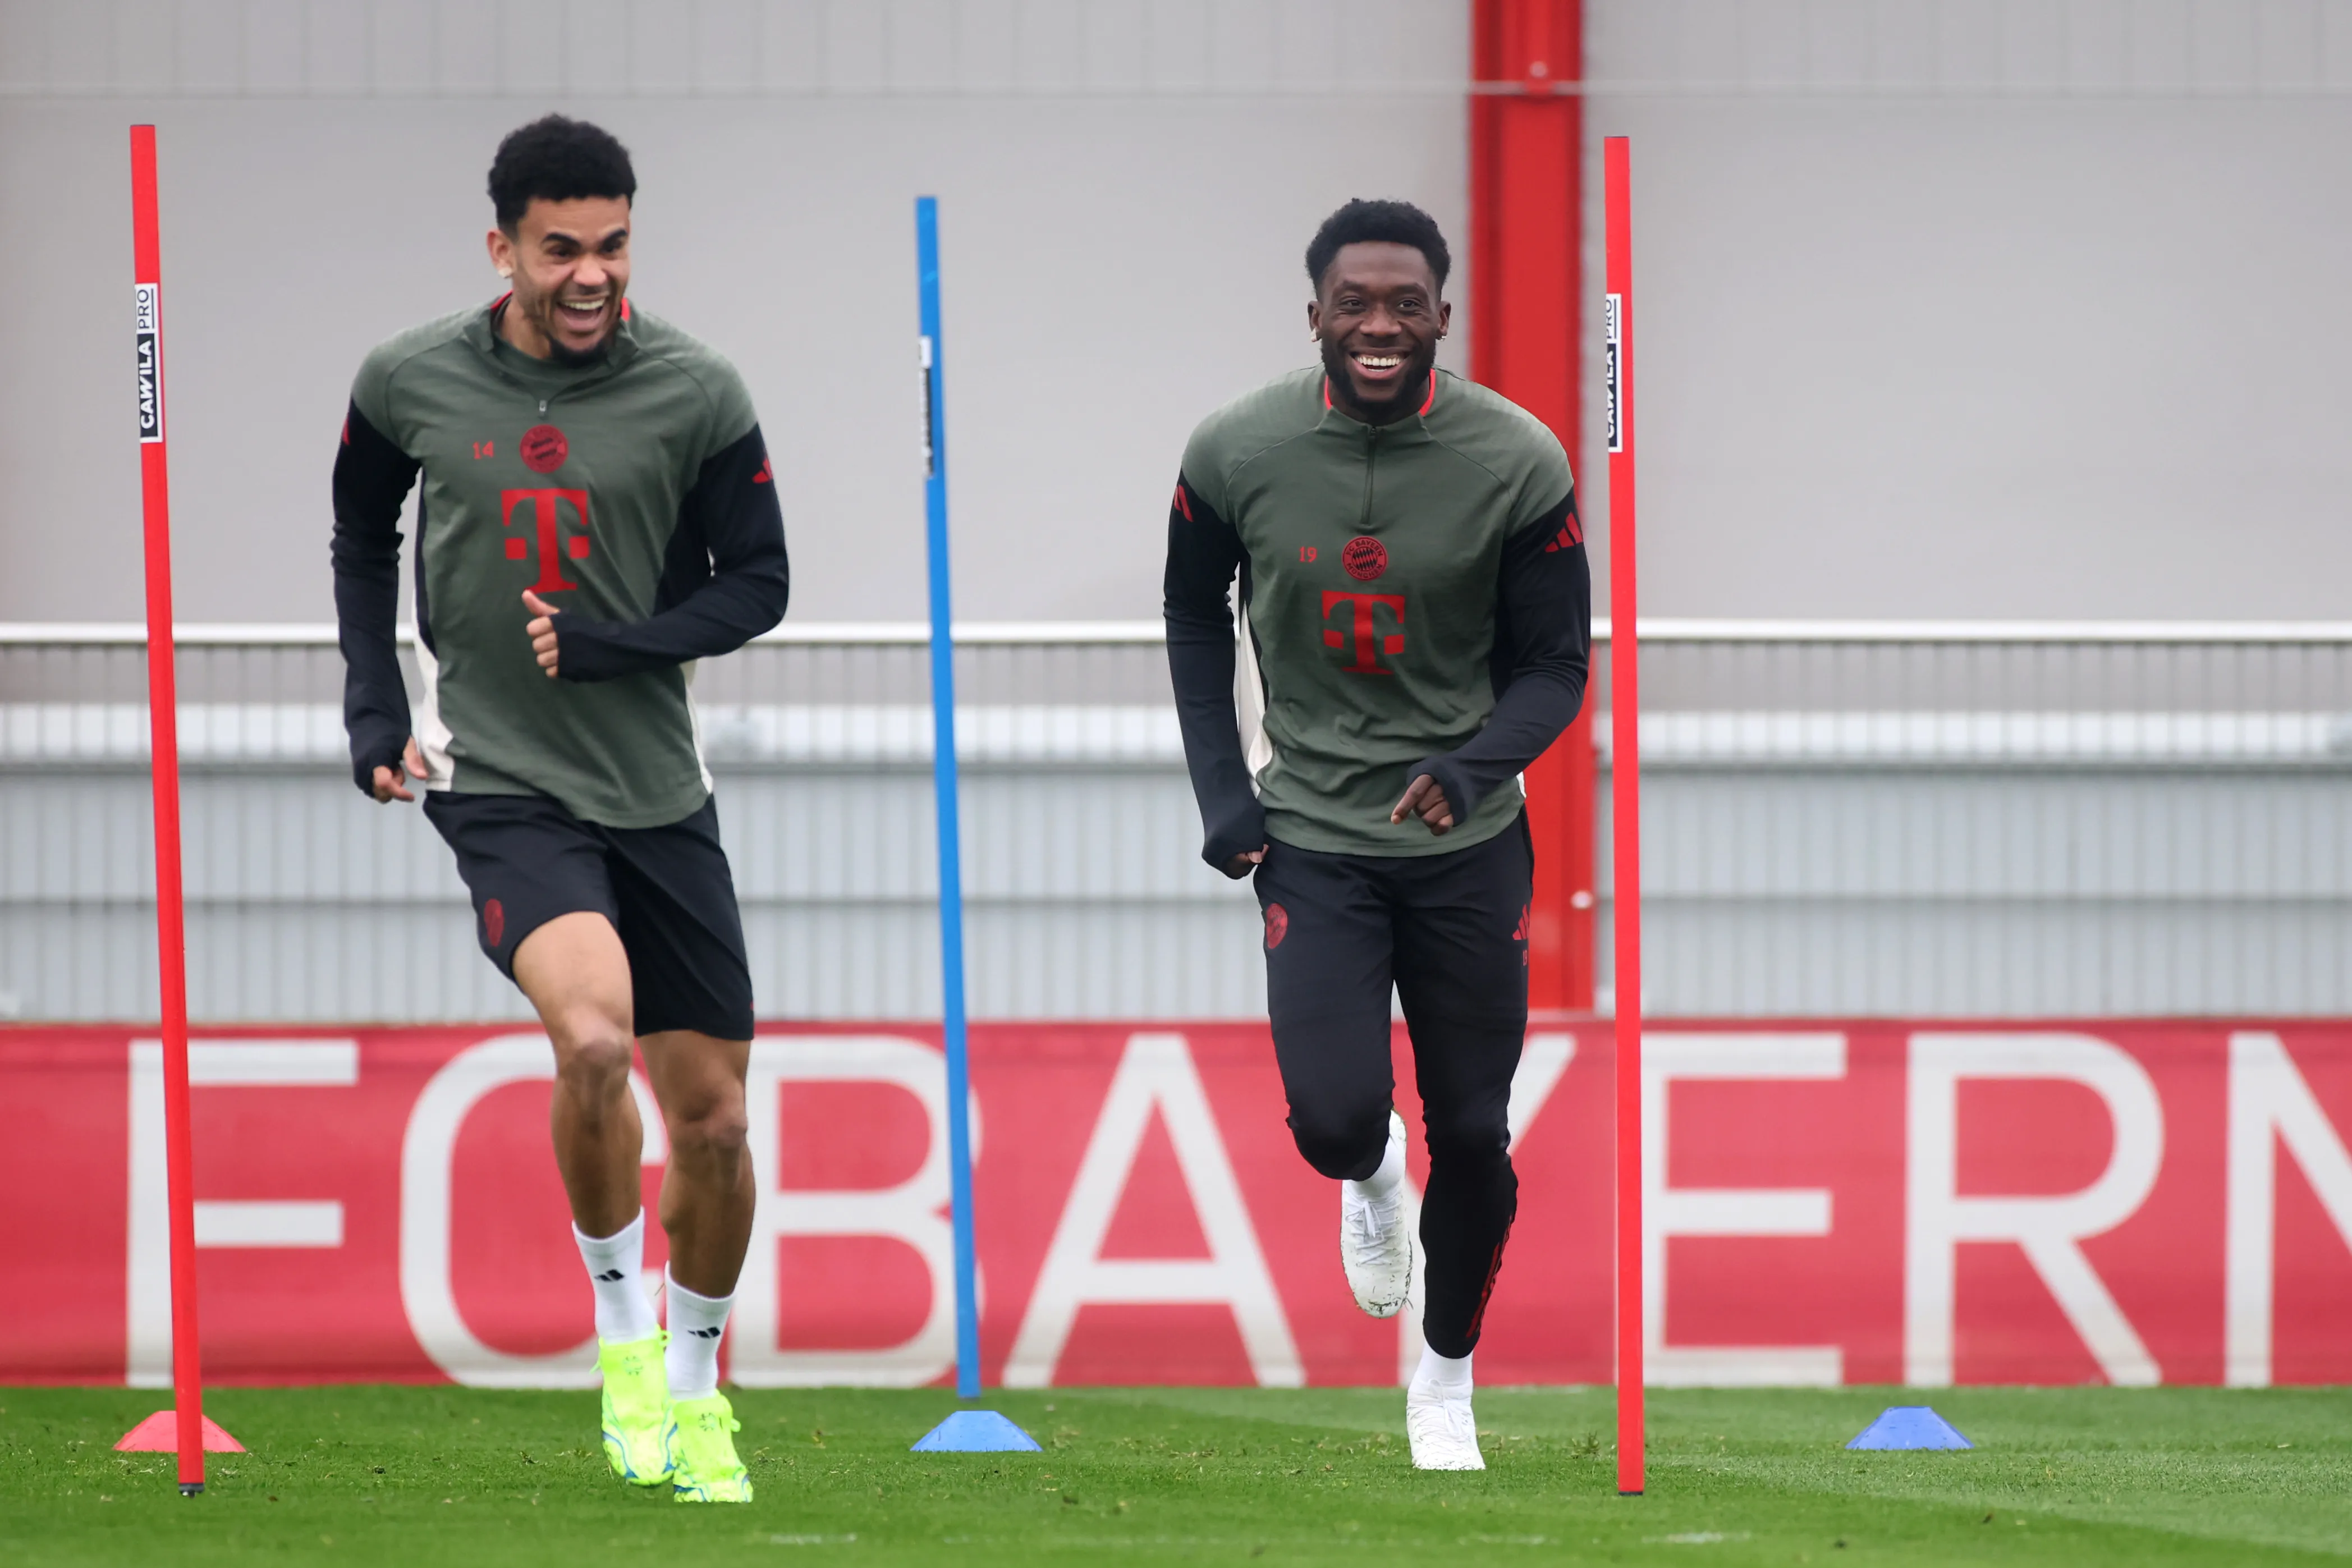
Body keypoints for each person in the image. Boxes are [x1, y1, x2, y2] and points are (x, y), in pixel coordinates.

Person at [332, 114, 788, 1503]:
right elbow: (361, 532)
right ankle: (619, 1337)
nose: (592, 275)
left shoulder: (697, 389)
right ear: (504, 249)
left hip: (660, 794)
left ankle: (699, 1387)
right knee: (591, 1036)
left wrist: (618, 638)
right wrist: (371, 704)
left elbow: (757, 582)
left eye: (614, 245)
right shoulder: (409, 377)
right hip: (503, 784)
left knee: (712, 1125)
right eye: (562, 250)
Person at [1163, 199, 1590, 1470]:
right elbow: (1193, 624)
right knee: (1337, 1117)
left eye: (1406, 303)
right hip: (1314, 835)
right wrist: (1221, 794)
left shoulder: (1517, 458)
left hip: (1467, 847)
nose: (1380, 325)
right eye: (1355, 302)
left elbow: (1557, 665)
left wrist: (1471, 767)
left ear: (1441, 316)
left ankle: (1445, 1379)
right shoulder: (1234, 447)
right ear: (1315, 317)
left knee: (1473, 1127)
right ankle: (1367, 1177)